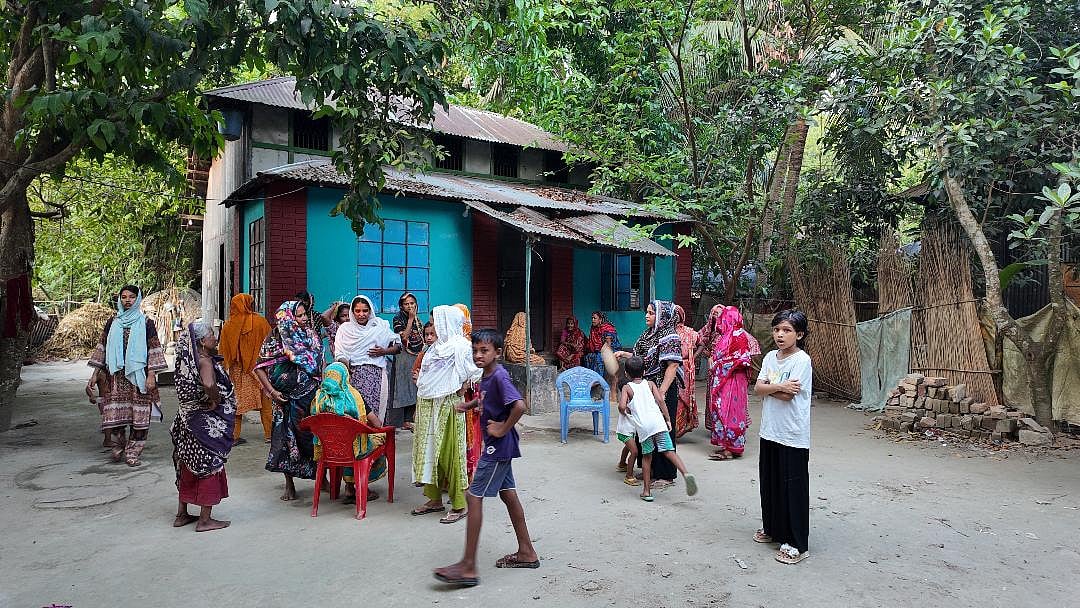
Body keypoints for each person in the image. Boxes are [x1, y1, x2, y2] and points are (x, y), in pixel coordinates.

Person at [433, 328, 539, 587]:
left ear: (497, 353)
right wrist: (468, 405)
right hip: (499, 447)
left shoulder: (500, 375)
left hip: (497, 448)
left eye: (484, 351)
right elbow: (485, 398)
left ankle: (468, 567)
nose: (478, 355)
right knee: (508, 494)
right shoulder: (486, 374)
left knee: (473, 496)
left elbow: (519, 406)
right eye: (475, 351)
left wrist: (502, 428)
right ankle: (527, 552)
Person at [411, 305, 482, 524]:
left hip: (449, 405)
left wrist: (464, 385)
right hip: (428, 403)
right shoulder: (435, 348)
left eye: (436, 322)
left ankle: (459, 504)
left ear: (446, 323)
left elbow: (477, 370)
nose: (433, 326)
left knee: (450, 455)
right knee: (431, 451)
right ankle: (434, 500)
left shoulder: (460, 346)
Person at [753, 309, 813, 565]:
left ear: (799, 335)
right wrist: (776, 387)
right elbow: (757, 388)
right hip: (770, 430)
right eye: (777, 329)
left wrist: (769, 388)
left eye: (787, 330)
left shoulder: (802, 361)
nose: (780, 335)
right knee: (770, 483)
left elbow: (789, 396)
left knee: (793, 488)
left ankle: (796, 543)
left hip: (792, 434)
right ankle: (772, 529)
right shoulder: (769, 357)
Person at [87, 285, 167, 466]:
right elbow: (102, 348)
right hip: (115, 378)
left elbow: (154, 349)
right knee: (115, 415)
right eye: (124, 297)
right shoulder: (113, 322)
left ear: (137, 299)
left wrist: (151, 375)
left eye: (131, 297)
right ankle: (118, 447)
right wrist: (95, 374)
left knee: (139, 417)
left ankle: (133, 452)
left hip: (139, 377)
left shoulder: (146, 323)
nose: (127, 300)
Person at [170, 320, 234, 532]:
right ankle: (205, 520)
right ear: (202, 342)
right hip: (201, 421)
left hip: (185, 418)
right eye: (212, 336)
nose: (215, 339)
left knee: (187, 462)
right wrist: (216, 399)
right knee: (209, 463)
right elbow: (208, 384)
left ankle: (182, 514)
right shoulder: (205, 361)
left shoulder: (187, 360)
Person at [255, 300, 322, 501]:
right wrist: (272, 391)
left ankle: (322, 479)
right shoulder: (275, 338)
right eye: (299, 315)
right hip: (283, 400)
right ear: (288, 318)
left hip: (309, 397)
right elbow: (259, 367)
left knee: (314, 437)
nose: (304, 318)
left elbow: (320, 364)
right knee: (285, 440)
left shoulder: (310, 335)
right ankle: (289, 484)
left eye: (304, 314)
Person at [616, 300, 682, 489]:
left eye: (651, 313)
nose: (647, 315)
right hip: (646, 390)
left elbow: (672, 366)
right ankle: (650, 469)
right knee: (645, 428)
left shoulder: (670, 336)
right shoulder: (648, 334)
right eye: (647, 312)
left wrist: (661, 392)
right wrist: (624, 354)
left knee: (661, 431)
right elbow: (642, 360)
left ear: (662, 316)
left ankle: (665, 474)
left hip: (662, 390)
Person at [618, 356, 697, 502]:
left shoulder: (627, 388)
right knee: (668, 451)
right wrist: (667, 419)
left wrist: (626, 411)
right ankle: (686, 473)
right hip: (658, 423)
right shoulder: (650, 384)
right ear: (644, 371)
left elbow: (622, 406)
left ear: (626, 373)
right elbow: (660, 400)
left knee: (647, 457)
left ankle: (647, 491)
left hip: (644, 427)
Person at [311, 361, 387, 506]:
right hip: (353, 450)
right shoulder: (354, 397)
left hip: (328, 450)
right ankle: (359, 487)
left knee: (346, 440)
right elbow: (377, 424)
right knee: (375, 439)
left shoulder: (319, 398)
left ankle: (349, 487)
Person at [334, 295, 402, 422]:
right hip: (354, 376)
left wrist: (383, 351)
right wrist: (346, 365)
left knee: (375, 411)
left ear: (370, 311)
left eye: (365, 310)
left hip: (376, 376)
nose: (361, 314)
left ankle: (376, 434)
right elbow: (339, 353)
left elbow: (398, 347)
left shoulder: (379, 326)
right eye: (357, 311)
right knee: (356, 410)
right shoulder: (345, 329)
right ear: (352, 312)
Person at [707, 306, 761, 461]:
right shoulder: (726, 336)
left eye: (722, 318)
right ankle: (726, 445)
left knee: (731, 412)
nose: (719, 322)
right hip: (725, 379)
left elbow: (742, 359)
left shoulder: (738, 335)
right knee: (722, 410)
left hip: (734, 380)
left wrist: (719, 365)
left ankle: (732, 449)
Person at [219, 293, 273, 445]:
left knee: (237, 403)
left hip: (237, 371)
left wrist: (222, 370)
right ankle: (269, 435)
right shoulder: (260, 322)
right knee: (266, 401)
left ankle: (234, 436)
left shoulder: (228, 325)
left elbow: (222, 351)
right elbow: (271, 343)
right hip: (259, 368)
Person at [389, 293, 424, 430]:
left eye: (412, 303)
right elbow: (404, 337)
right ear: (401, 306)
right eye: (406, 304)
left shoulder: (418, 319)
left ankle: (412, 418)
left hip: (416, 356)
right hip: (404, 357)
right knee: (404, 387)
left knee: (415, 385)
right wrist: (410, 319)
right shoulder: (398, 318)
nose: (410, 306)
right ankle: (404, 421)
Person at [672, 305, 700, 437]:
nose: (675, 317)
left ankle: (680, 427)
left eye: (678, 314)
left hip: (686, 368)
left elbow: (701, 343)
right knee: (674, 396)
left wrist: (693, 357)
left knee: (683, 398)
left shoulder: (690, 332)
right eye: (673, 314)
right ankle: (674, 428)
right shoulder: (667, 331)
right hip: (671, 367)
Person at [583, 311, 620, 377]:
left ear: (600, 319)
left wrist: (602, 351)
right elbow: (591, 343)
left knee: (599, 358)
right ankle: (590, 377)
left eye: (595, 318)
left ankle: (599, 378)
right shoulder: (593, 328)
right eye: (592, 318)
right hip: (598, 350)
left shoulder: (608, 328)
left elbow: (608, 345)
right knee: (588, 357)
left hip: (610, 349)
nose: (593, 320)